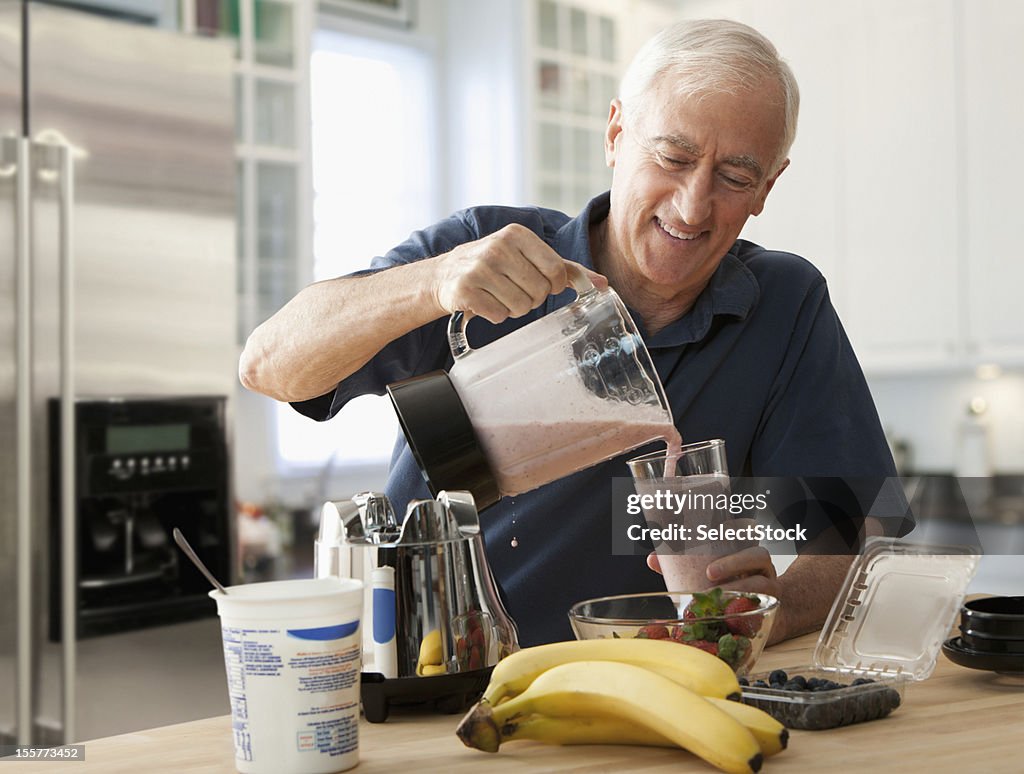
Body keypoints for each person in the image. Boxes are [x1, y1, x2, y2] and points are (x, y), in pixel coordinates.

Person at [239, 19, 908, 648]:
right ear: (617, 134)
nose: (693, 205)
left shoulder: (783, 305)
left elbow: (858, 525)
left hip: (645, 687)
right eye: (672, 157)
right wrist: (431, 284)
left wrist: (774, 607)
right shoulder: (482, 250)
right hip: (433, 664)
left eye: (735, 177)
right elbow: (269, 366)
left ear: (768, 186)